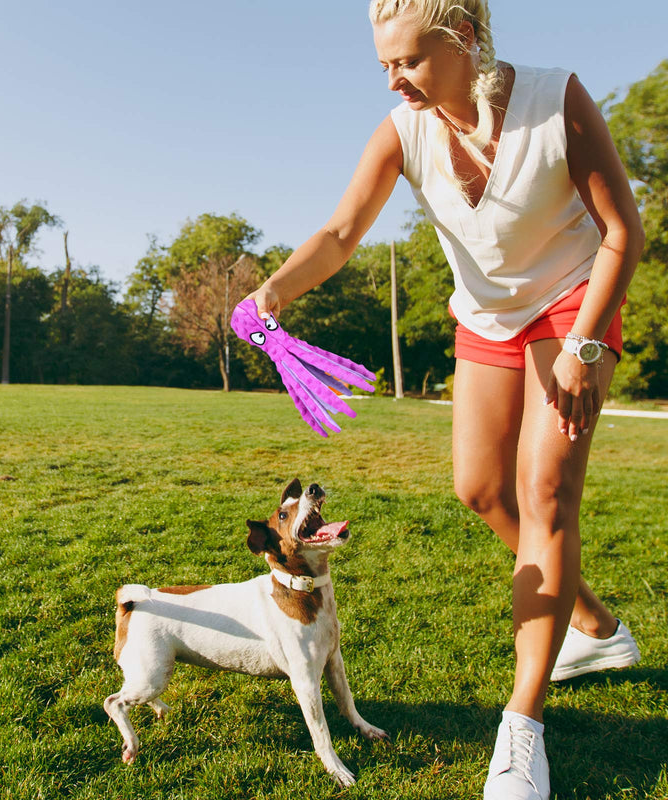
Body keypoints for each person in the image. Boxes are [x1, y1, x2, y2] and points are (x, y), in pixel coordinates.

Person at [245, 1, 645, 798]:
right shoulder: (403, 131)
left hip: (572, 299)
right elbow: (339, 232)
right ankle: (595, 628)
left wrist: (586, 346)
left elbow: (622, 230)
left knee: (546, 492)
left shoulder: (554, 97)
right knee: (481, 489)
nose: (395, 79)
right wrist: (274, 291)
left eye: (409, 61)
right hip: (489, 319)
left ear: (461, 38)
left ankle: (521, 730)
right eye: (384, 66)